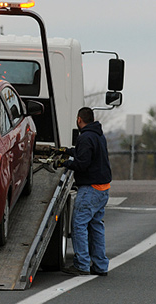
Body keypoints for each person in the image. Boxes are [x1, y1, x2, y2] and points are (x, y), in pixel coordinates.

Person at [61, 107, 112, 277]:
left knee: (79, 225)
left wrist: (64, 163)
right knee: (96, 226)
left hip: (90, 189)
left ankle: (82, 264)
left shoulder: (84, 137)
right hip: (102, 189)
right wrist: (68, 151)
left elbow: (82, 163)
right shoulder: (98, 135)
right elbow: (85, 153)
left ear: (79, 119)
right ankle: (100, 265)